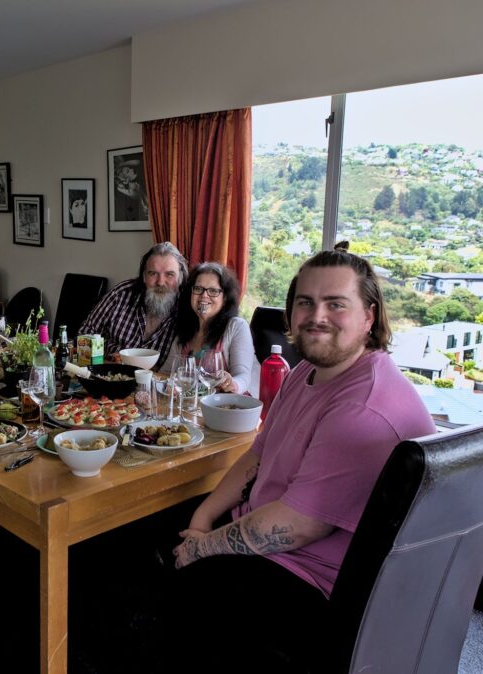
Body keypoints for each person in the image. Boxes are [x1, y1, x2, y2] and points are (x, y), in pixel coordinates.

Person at [164, 243, 437, 672]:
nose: (316, 316)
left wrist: (203, 548)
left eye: (336, 304)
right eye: (305, 303)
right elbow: (258, 454)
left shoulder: (361, 408)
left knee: (169, 584)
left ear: (369, 316)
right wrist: (203, 517)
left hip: (315, 581)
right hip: (276, 537)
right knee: (159, 526)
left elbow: (297, 527)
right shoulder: (305, 372)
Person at [78, 241, 187, 370]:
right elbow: (86, 332)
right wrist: (97, 366)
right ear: (144, 276)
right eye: (153, 273)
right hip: (109, 374)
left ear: (180, 277)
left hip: (155, 381)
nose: (160, 282)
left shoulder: (187, 309)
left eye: (170, 274)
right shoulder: (122, 294)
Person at [165, 261, 254, 393]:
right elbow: (167, 373)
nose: (204, 295)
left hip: (228, 403)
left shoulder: (236, 326)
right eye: (198, 289)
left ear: (225, 298)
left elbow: (244, 376)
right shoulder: (184, 328)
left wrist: (232, 383)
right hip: (190, 404)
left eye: (213, 291)